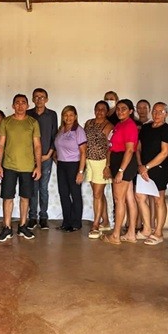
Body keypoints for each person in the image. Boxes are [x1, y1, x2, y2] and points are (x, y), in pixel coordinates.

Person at [0, 94, 42, 242]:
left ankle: (22, 226)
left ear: (28, 105)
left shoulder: (33, 122)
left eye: (23, 103)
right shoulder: (6, 121)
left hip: (28, 167)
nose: (20, 105)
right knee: (7, 197)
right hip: (8, 166)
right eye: (17, 103)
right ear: (13, 105)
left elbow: (37, 146)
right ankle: (7, 228)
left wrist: (38, 166)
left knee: (25, 197)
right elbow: (1, 144)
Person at [135, 102, 168, 246]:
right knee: (140, 197)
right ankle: (147, 228)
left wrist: (146, 167)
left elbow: (164, 153)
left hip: (159, 169)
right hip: (143, 168)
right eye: (155, 111)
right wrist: (140, 165)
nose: (157, 114)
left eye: (161, 111)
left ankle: (158, 233)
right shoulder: (145, 128)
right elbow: (138, 148)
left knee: (159, 200)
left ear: (166, 114)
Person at [101, 99, 139, 245]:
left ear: (130, 111)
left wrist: (121, 171)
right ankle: (131, 234)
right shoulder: (119, 124)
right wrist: (109, 165)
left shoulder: (129, 125)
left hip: (124, 163)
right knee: (129, 198)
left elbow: (129, 150)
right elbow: (111, 145)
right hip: (119, 161)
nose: (120, 111)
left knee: (119, 200)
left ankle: (116, 235)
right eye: (118, 109)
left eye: (124, 109)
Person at [26, 88, 58, 230]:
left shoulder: (52, 115)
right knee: (32, 188)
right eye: (36, 97)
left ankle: (43, 217)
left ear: (47, 99)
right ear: (33, 99)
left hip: (46, 157)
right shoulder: (27, 114)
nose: (39, 99)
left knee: (43, 188)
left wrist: (49, 154)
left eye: (42, 97)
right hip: (30, 159)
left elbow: (54, 135)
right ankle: (32, 217)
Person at [54, 106, 87, 232]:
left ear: (75, 116)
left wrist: (80, 172)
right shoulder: (61, 130)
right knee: (63, 194)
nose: (68, 118)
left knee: (75, 194)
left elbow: (83, 152)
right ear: (63, 117)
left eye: (71, 115)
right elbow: (58, 148)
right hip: (62, 166)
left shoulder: (78, 130)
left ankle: (76, 223)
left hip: (74, 165)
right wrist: (57, 159)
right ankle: (66, 222)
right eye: (66, 115)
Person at [84, 101, 113, 239]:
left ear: (107, 112)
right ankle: (105, 221)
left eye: (103, 109)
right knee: (98, 194)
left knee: (97, 194)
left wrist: (108, 166)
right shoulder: (88, 123)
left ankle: (95, 225)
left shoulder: (109, 126)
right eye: (97, 109)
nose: (100, 111)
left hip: (101, 162)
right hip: (89, 161)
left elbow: (110, 148)